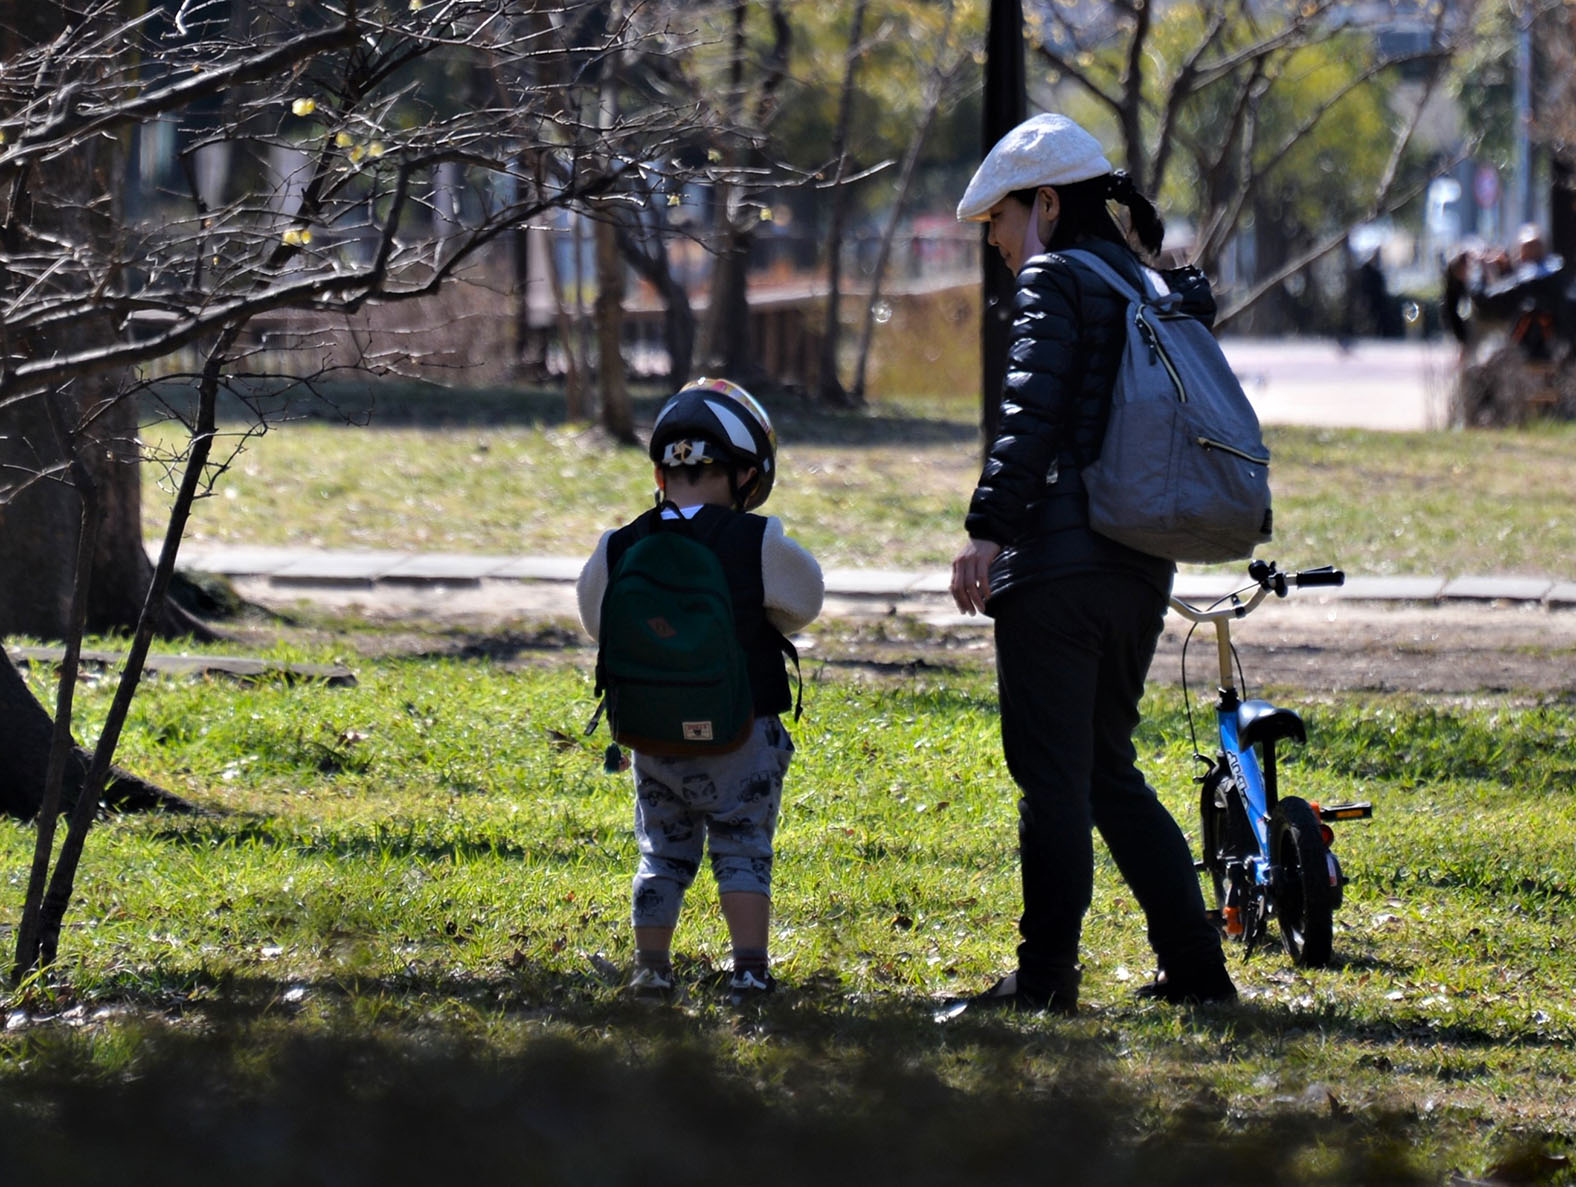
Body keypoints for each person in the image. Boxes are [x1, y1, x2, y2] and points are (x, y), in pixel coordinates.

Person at [945, 112, 1236, 1014]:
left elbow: (1029, 415)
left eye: (996, 220)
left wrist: (987, 530)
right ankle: (1196, 970)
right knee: (1108, 767)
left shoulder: (1054, 276)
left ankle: (1044, 981)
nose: (992, 242)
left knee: (1053, 777)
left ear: (1042, 204)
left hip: (1059, 567)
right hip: (1141, 563)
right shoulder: (1143, 283)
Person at [576, 378, 824, 1003]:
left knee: (660, 853)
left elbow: (595, 619)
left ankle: (651, 968)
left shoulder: (620, 543)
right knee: (742, 847)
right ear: (746, 474)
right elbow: (805, 601)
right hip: (742, 728)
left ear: (661, 473)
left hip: (651, 733)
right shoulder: (756, 540)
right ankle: (748, 970)